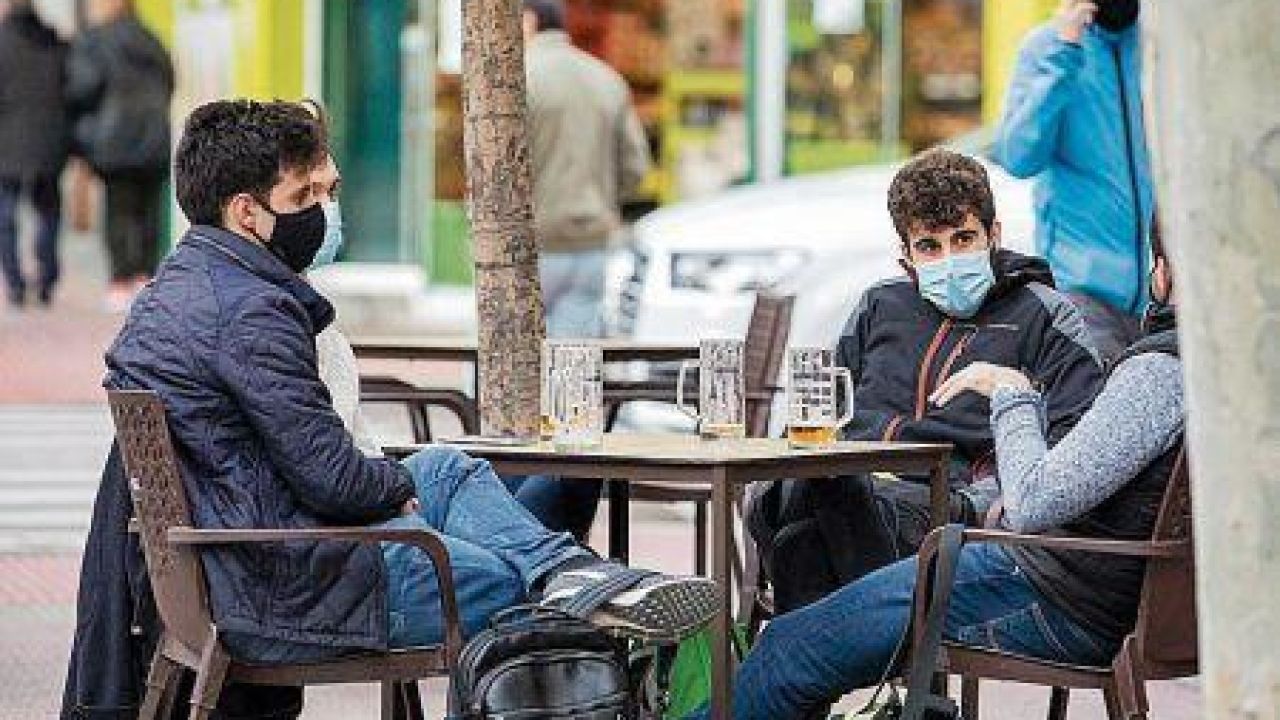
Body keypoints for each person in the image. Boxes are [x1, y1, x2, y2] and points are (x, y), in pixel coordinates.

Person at [103, 99, 715, 665]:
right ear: (245, 212)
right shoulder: (250, 312)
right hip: (293, 589)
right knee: (503, 580)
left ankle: (570, 573)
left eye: (326, 191)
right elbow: (334, 481)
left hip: (253, 560)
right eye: (303, 195)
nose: (321, 211)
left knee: (447, 469)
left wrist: (400, 489)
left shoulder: (179, 286)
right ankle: (583, 600)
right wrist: (398, 493)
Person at [690, 219, 1184, 720]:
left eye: (963, 240)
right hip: (1096, 592)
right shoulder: (1215, 375)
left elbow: (1035, 504)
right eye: (929, 246)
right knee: (807, 542)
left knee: (790, 647)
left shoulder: (1157, 372)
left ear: (1160, 275)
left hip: (1053, 594)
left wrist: (1011, 395)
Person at [748, 149, 1104, 614]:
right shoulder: (879, 306)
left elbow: (1075, 446)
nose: (949, 258)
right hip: (856, 489)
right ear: (907, 256)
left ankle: (816, 638)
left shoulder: (1046, 315)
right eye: (930, 247)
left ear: (994, 236)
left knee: (815, 506)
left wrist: (998, 493)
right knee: (793, 495)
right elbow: (824, 413)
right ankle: (878, 637)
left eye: (964, 239)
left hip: (959, 504)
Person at [993, 0, 1151, 363]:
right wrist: (1064, 55)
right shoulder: (1046, 48)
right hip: (1082, 293)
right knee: (1095, 398)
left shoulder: (1161, 48)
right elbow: (1018, 156)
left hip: (1164, 295)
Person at [522, 0, 651, 338]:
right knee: (571, 357)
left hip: (530, 243)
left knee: (516, 355)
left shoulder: (515, 81)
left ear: (529, 21)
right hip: (592, 242)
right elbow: (636, 168)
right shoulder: (606, 79)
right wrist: (603, 198)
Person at [67, 0, 173, 312]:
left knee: (118, 212)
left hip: (115, 140)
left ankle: (120, 281)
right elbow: (169, 80)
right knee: (149, 211)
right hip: (154, 137)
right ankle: (146, 277)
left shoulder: (96, 41)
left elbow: (82, 88)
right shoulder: (150, 39)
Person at [0, 0, 68, 308]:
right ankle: (46, 279)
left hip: (7, 145)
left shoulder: (2, 41)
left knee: (6, 217)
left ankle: (15, 285)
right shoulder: (53, 40)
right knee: (48, 212)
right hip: (48, 142)